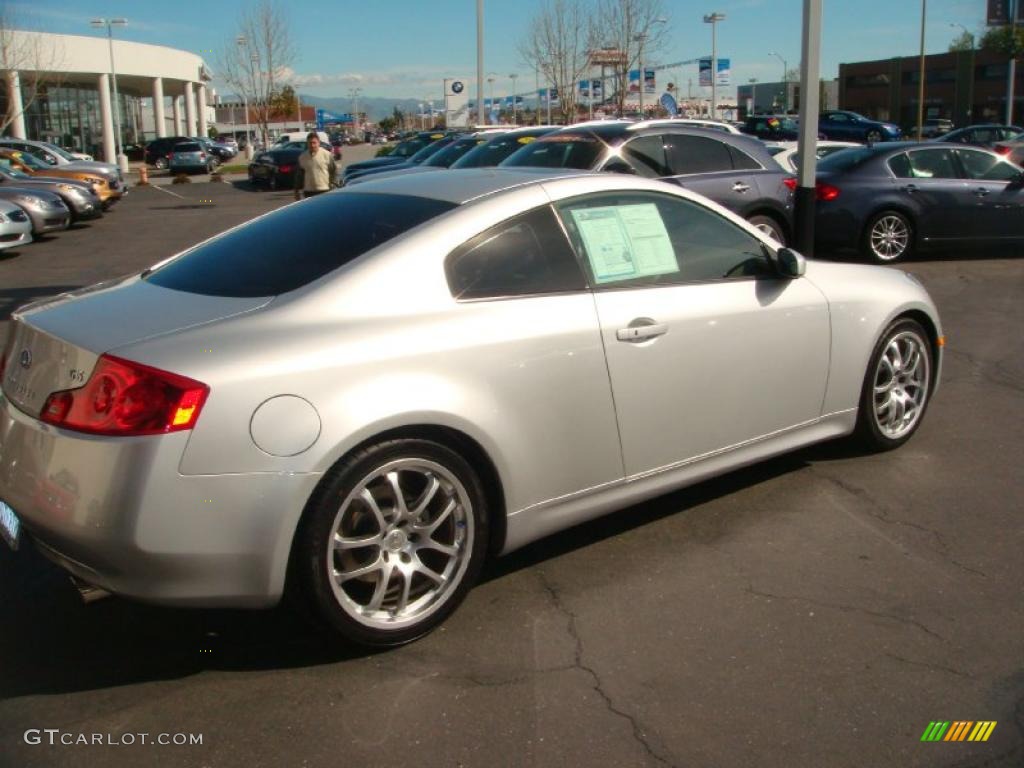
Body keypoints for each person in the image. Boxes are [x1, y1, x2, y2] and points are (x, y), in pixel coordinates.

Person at [294, 132, 337, 200]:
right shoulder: (302, 157)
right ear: (307, 143)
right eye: (310, 143)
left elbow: (333, 171)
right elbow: (299, 176)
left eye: (314, 142)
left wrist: (333, 185)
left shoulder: (327, 155)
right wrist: (296, 191)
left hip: (324, 190)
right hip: (309, 192)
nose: (312, 145)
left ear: (319, 143)